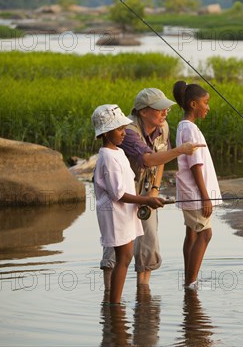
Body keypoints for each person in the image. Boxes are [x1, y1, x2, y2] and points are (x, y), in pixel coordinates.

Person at [100, 88, 204, 290]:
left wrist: (155, 189)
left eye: (166, 108)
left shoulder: (163, 127)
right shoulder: (128, 131)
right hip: (121, 194)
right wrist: (181, 150)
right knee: (117, 245)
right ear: (143, 111)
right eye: (159, 109)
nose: (165, 112)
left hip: (147, 191)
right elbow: (147, 160)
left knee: (148, 241)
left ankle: (143, 293)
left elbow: (161, 158)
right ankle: (109, 295)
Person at [91, 104, 165, 304]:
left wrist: (144, 200)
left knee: (126, 257)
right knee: (123, 258)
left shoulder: (118, 152)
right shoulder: (107, 156)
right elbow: (118, 194)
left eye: (123, 128)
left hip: (125, 212)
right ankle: (115, 305)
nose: (124, 133)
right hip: (115, 214)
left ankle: (115, 305)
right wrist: (146, 200)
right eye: (119, 129)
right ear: (106, 133)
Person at [172, 81, 222, 289]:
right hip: (195, 193)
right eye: (205, 102)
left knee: (192, 233)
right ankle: (191, 283)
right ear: (193, 104)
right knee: (205, 234)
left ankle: (188, 279)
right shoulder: (190, 129)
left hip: (189, 192)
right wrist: (205, 196)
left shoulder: (184, 127)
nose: (208, 107)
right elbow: (195, 165)